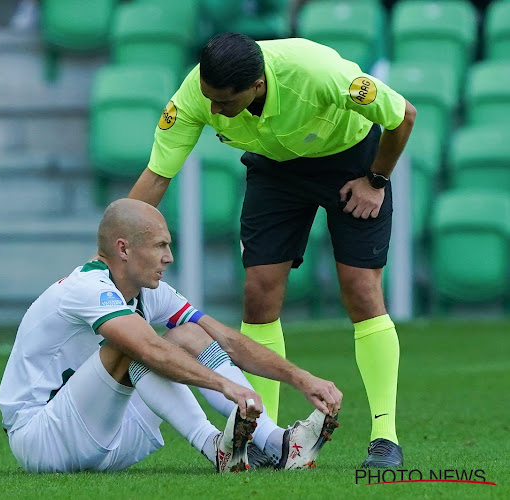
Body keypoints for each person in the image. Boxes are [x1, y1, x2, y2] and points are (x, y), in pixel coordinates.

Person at [127, 34, 416, 468]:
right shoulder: (197, 93)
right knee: (259, 293)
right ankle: (271, 438)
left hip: (351, 160)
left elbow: (403, 116)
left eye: (224, 103)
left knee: (361, 291)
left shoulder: (320, 74)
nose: (214, 111)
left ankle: (385, 436)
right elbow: (157, 175)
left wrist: (376, 180)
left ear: (257, 86)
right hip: (275, 171)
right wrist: (116, 251)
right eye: (209, 97)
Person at [0, 198, 342, 473]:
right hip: (43, 440)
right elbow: (146, 348)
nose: (169, 257)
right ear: (123, 249)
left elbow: (227, 341)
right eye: (160, 246)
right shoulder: (86, 288)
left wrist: (301, 378)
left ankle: (278, 443)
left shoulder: (150, 290)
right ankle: (213, 445)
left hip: (112, 435)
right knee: (134, 346)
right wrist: (226, 386)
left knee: (190, 334)